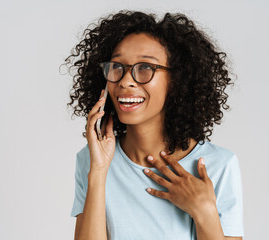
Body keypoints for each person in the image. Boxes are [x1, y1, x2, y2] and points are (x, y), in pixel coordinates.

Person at [64, 10, 244, 240]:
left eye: (145, 68)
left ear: (177, 80)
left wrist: (204, 211)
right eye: (117, 67)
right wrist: (98, 173)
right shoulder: (91, 160)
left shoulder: (218, 166)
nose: (126, 81)